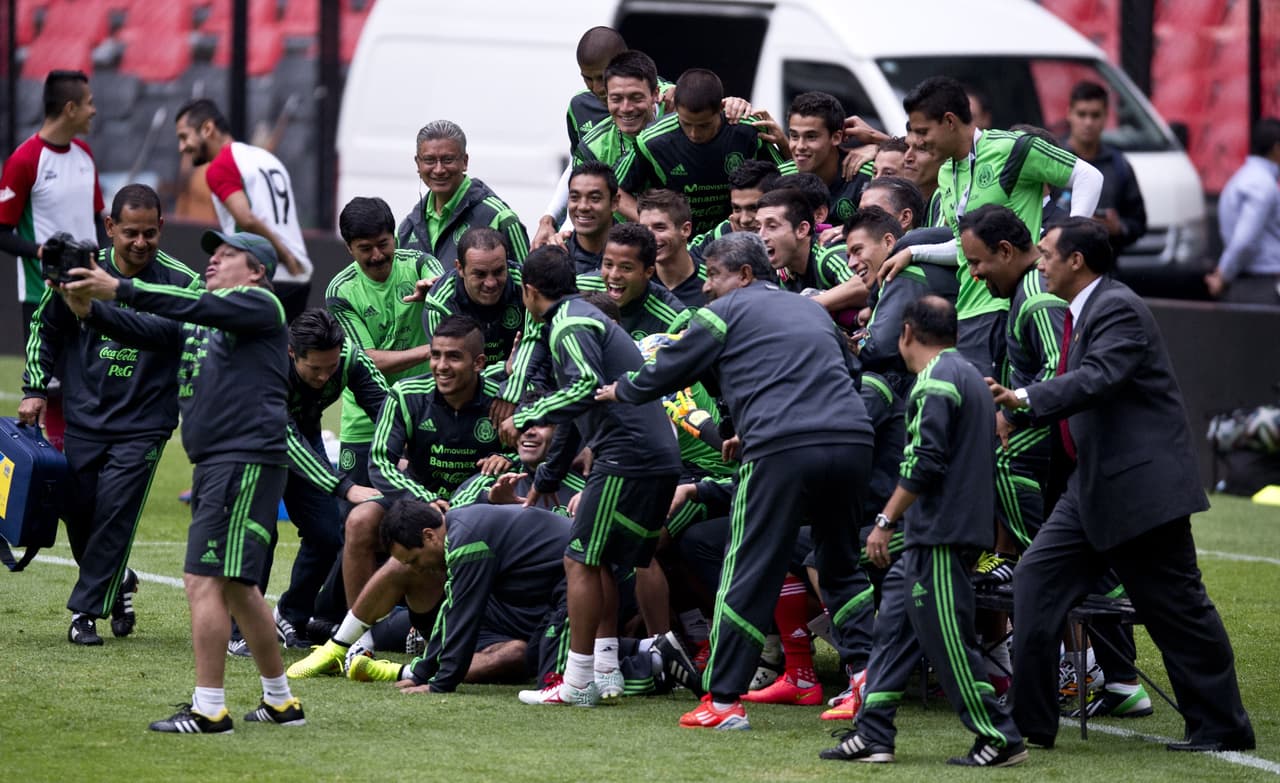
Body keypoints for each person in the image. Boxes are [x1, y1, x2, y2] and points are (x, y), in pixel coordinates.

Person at [988, 217, 1256, 752]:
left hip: (1140, 492)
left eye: (1045, 255)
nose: (1038, 264)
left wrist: (1023, 400)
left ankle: (1223, 726)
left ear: (1076, 262)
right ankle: (1030, 724)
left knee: (1176, 609)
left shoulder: (1117, 308)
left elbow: (1098, 380)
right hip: (1090, 489)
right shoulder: (1082, 313)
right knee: (1034, 582)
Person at [598, 232, 875, 731]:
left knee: (746, 569)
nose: (705, 288)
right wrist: (735, 428)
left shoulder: (724, 313)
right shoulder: (810, 310)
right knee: (838, 563)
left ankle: (723, 702)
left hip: (783, 448)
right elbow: (848, 371)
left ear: (745, 275)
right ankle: (869, 677)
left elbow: (668, 370)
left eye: (714, 275)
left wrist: (619, 389)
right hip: (853, 440)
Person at [63, 229, 303, 733]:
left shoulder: (261, 305)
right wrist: (86, 306)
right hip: (224, 463)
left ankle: (209, 708)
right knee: (238, 586)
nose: (212, 262)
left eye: (226, 255)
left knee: (202, 579)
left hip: (240, 460)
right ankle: (280, 702)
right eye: (210, 254)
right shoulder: (202, 317)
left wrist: (119, 287)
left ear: (257, 270)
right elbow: (145, 329)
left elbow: (182, 305)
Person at [822, 295, 1026, 768]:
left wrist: (884, 520)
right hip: (937, 533)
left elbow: (924, 463)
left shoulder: (934, 381)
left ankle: (999, 736)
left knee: (949, 639)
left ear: (907, 333)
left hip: (939, 533)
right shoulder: (970, 375)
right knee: (892, 630)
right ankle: (874, 733)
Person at [22, 184, 198, 646]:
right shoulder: (79, 270)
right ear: (110, 228)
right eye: (130, 234)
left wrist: (97, 312)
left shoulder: (182, 282)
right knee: (78, 513)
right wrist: (34, 389)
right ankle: (118, 582)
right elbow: (46, 327)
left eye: (149, 234)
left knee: (115, 512)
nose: (140, 243)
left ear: (161, 228)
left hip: (145, 425)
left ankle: (84, 614)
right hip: (85, 418)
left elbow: (170, 336)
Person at [507, 245, 681, 707]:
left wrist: (527, 414)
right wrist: (546, 479)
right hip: (653, 455)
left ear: (528, 292)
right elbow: (575, 416)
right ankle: (605, 671)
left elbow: (581, 388)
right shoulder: (582, 315)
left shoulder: (567, 323)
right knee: (599, 558)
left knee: (579, 560)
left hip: (628, 456)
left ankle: (578, 679)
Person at [884, 76, 1102, 379]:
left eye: (922, 131)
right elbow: (965, 250)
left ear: (949, 121)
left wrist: (1067, 243)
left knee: (1013, 407)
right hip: (968, 312)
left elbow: (1089, 178)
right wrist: (915, 251)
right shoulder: (946, 171)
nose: (917, 142)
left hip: (1013, 305)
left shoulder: (1013, 148)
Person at [270, 309, 387, 644]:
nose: (324, 377)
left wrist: (404, 450)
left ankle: (290, 616)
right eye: (314, 369)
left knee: (326, 535)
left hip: (306, 434)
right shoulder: (270, 365)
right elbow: (285, 439)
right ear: (293, 353)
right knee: (259, 536)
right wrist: (344, 487)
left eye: (330, 367)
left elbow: (387, 409)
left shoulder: (349, 358)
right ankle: (240, 632)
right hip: (251, 445)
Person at [326, 196, 444, 521]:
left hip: (423, 412)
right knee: (353, 522)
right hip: (365, 420)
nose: (378, 255)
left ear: (395, 237)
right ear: (349, 248)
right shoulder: (341, 290)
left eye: (383, 243)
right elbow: (366, 361)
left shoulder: (421, 264)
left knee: (420, 519)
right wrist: (432, 351)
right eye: (366, 248)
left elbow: (449, 288)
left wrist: (439, 292)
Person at [174, 98, 313, 321]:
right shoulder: (265, 158)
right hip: (299, 278)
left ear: (207, 129)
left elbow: (246, 219)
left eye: (184, 137)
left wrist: (285, 257)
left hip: (265, 276)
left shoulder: (221, 165)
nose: (182, 147)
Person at [0, 69, 103, 338]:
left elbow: (95, 220)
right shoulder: (24, 161)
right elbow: (1, 233)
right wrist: (42, 252)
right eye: (89, 103)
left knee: (89, 379)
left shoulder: (86, 154)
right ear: (70, 108)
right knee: (45, 382)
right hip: (42, 298)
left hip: (90, 296)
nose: (94, 110)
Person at [629, 68, 791, 234]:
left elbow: (787, 178)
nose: (694, 133)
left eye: (704, 125)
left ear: (721, 108)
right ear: (675, 110)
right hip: (679, 243)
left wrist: (785, 144)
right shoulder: (651, 141)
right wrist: (654, 226)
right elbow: (617, 191)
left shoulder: (748, 129)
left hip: (737, 238)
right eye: (686, 124)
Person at [397, 120, 530, 266]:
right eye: (429, 160)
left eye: (448, 160)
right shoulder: (407, 228)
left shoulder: (499, 218)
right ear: (418, 164)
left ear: (465, 162)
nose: (439, 169)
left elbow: (527, 283)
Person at [1059, 80, 1147, 255]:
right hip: (1057, 267)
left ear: (1106, 116)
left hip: (1106, 270)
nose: (1088, 122)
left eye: (1095, 115)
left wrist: (1119, 227)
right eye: (1082, 114)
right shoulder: (1053, 161)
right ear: (1069, 114)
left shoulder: (1119, 165)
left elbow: (1138, 222)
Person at [424, 227, 525, 373]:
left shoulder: (526, 285)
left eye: (498, 271)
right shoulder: (439, 304)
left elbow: (538, 358)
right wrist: (504, 369)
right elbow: (452, 374)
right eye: (480, 274)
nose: (491, 283)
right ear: (460, 268)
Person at [1205, 117, 1280, 305]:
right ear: (1276, 148)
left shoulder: (1244, 178)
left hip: (1251, 284)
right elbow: (1244, 241)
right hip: (1260, 287)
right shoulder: (1261, 184)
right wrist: (1223, 275)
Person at [755, 189, 863, 314]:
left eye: (772, 227)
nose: (761, 236)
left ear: (802, 230)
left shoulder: (827, 253)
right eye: (758, 227)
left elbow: (864, 283)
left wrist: (805, 305)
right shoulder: (780, 268)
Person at [575, 222, 689, 339]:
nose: (614, 275)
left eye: (626, 268)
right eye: (608, 264)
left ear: (648, 272)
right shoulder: (577, 289)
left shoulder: (673, 320)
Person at [787, 91, 870, 224]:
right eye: (794, 136)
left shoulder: (867, 175)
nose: (800, 146)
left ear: (836, 137)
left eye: (811, 136)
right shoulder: (782, 176)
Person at [638, 189, 707, 307]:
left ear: (685, 230)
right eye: (643, 229)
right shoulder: (637, 281)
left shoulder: (712, 282)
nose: (649, 237)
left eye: (660, 227)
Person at [564, 161, 619, 273]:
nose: (583, 207)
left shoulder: (636, 252)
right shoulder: (558, 257)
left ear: (614, 202)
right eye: (574, 197)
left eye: (594, 198)